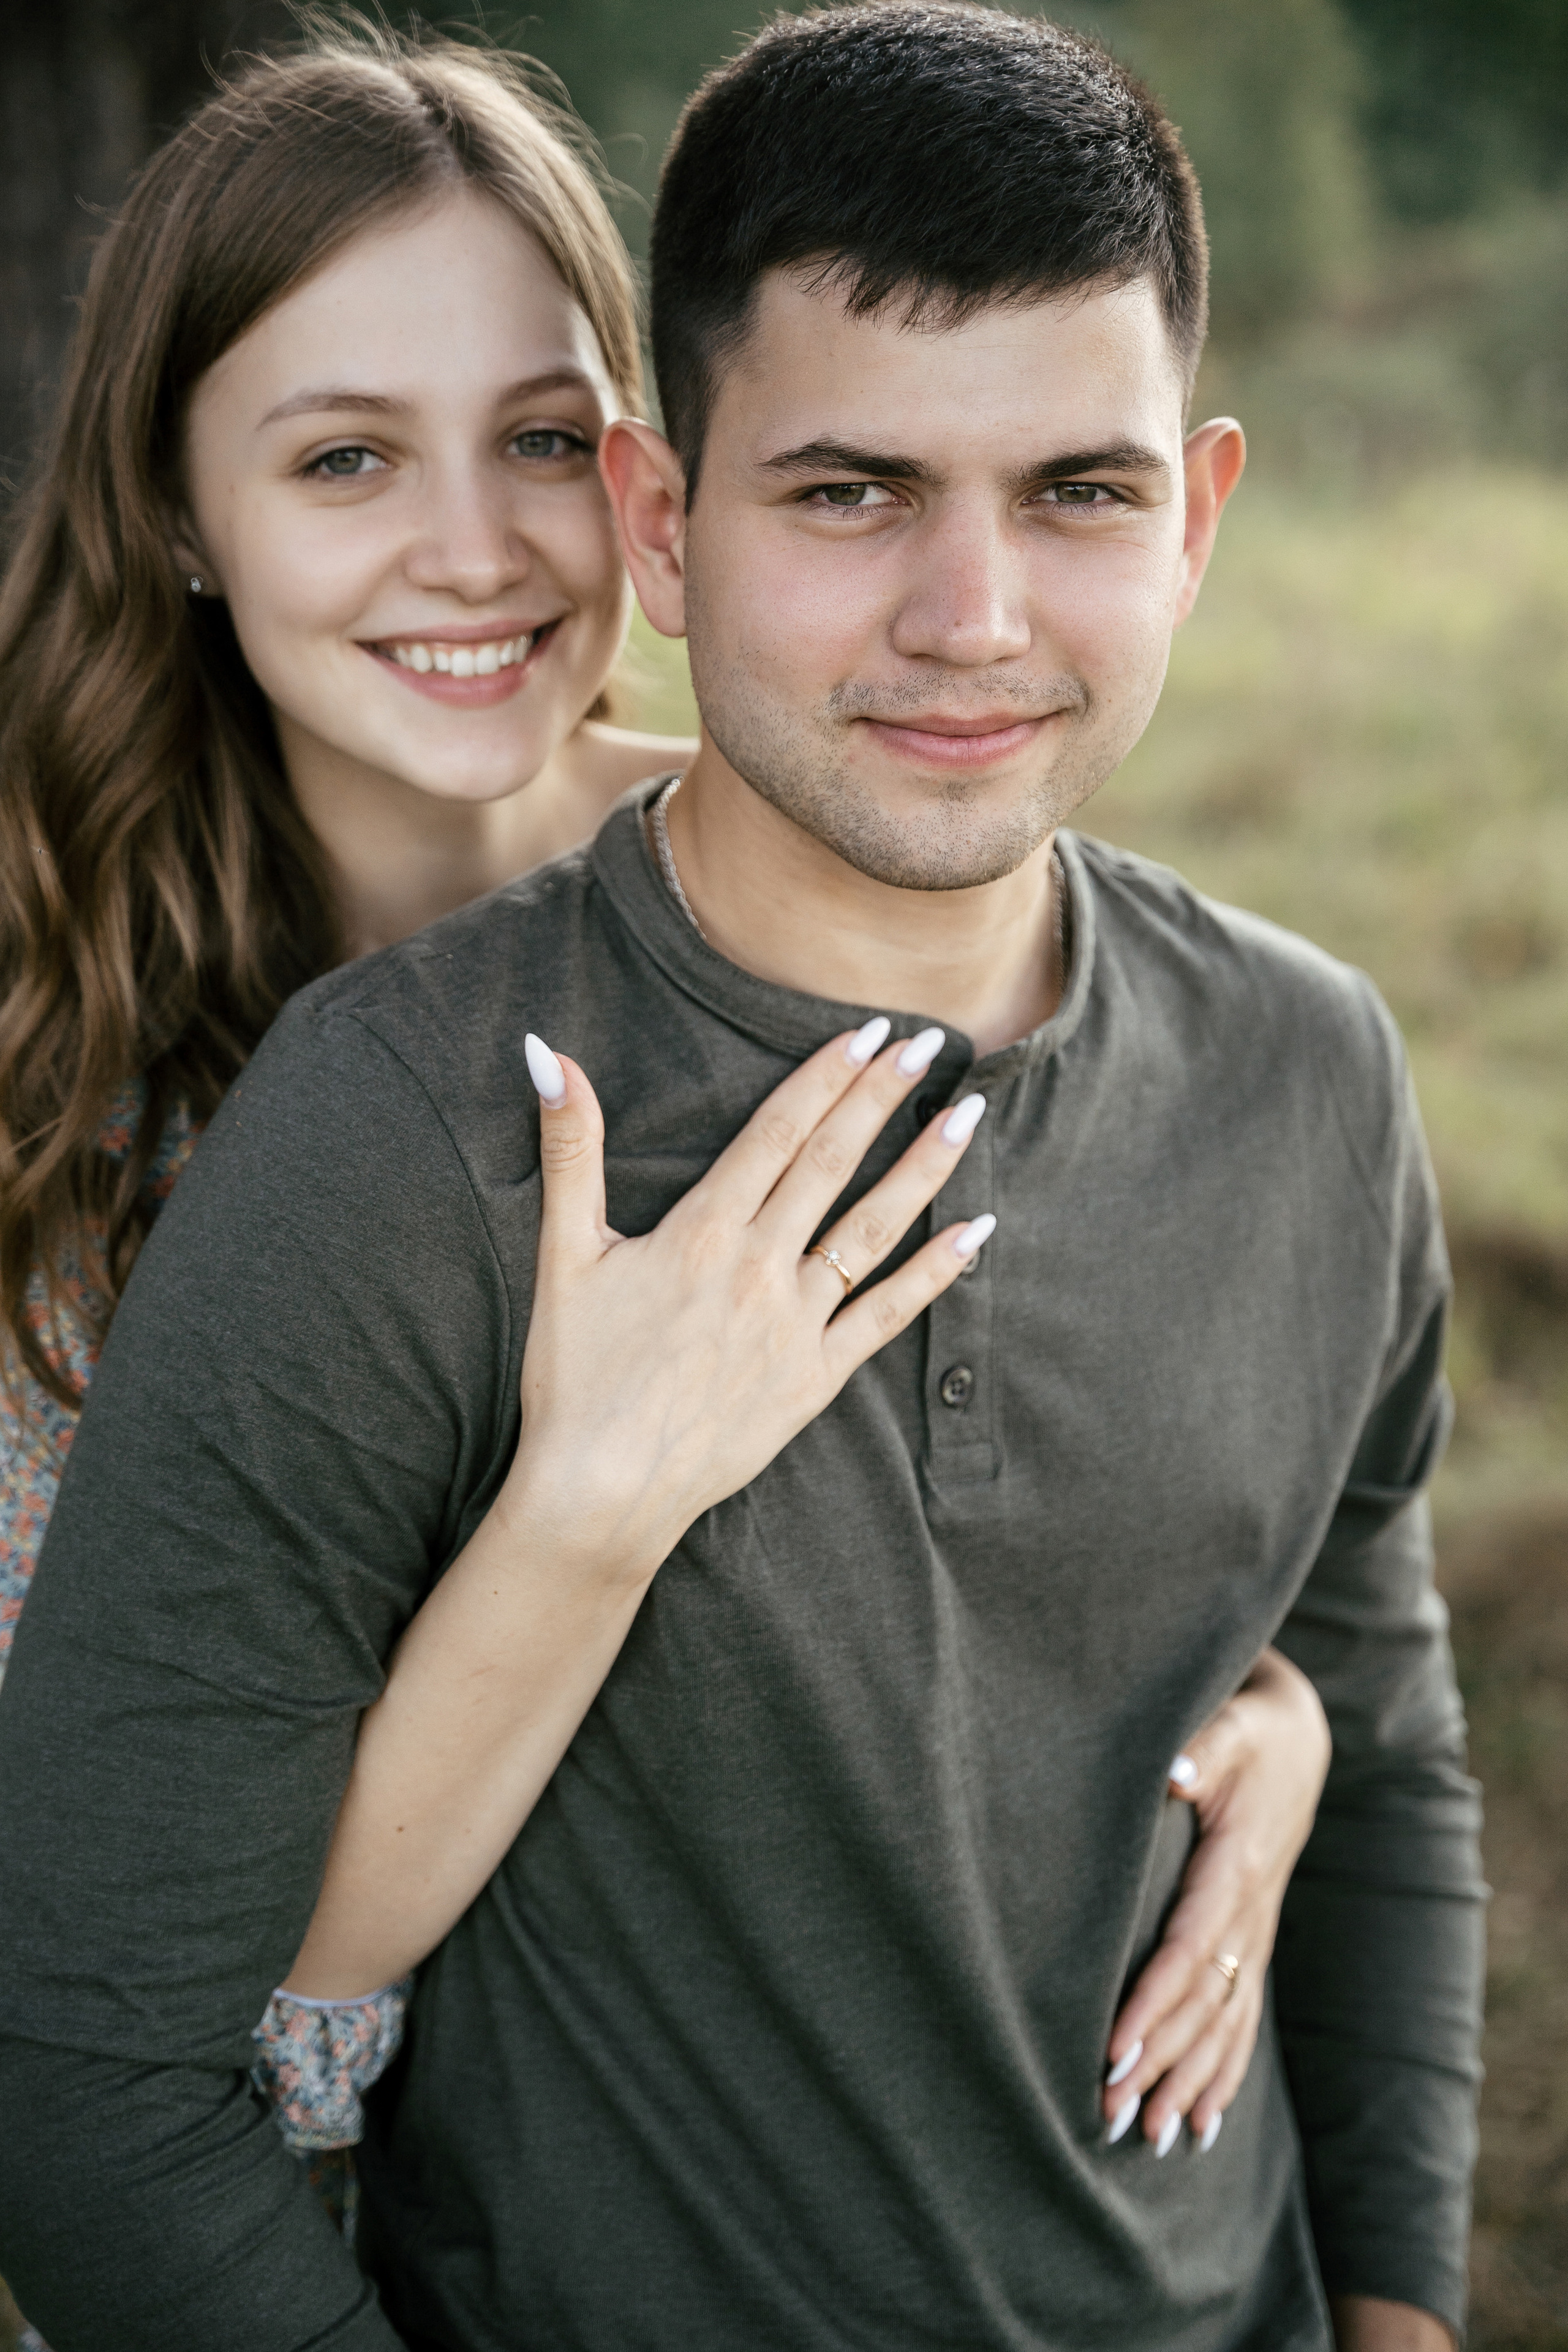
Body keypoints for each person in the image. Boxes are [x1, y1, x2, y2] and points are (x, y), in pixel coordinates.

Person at [0, 10, 1475, 2351]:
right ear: (685, 515)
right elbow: (117, 2061)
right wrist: (589, 1506)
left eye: (1078, 494)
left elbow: (1368, 1724)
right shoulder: (299, 1135)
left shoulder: (1247, 1031)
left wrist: (1262, 1733)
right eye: (854, 490)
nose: (970, 617)